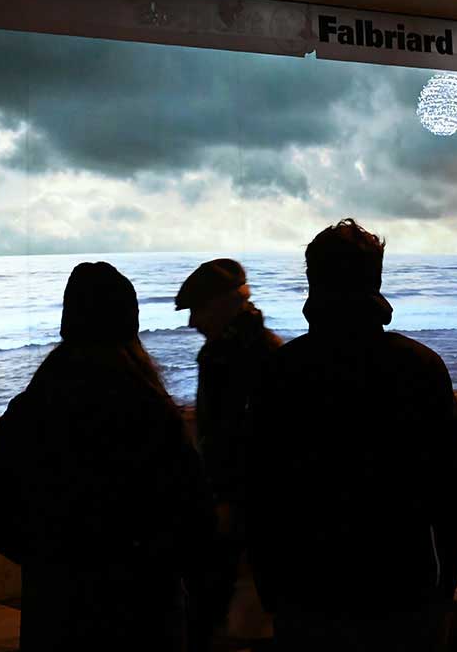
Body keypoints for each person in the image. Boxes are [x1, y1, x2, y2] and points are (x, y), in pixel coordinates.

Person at [247, 219, 457, 651]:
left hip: (309, 586)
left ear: (313, 282)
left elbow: (261, 489)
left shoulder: (281, 371)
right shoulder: (420, 367)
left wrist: (269, 587)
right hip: (402, 582)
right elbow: (453, 487)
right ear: (377, 278)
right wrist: (447, 584)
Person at [0, 261, 213, 651]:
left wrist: (51, 564)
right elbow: (196, 521)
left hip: (56, 618)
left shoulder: (30, 410)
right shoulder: (151, 412)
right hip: (145, 617)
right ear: (130, 325)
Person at [176, 258, 282, 650]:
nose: (192, 323)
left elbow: (234, 440)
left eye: (197, 310)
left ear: (221, 304)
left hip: (238, 505)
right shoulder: (262, 350)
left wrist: (224, 501)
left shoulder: (230, 357)